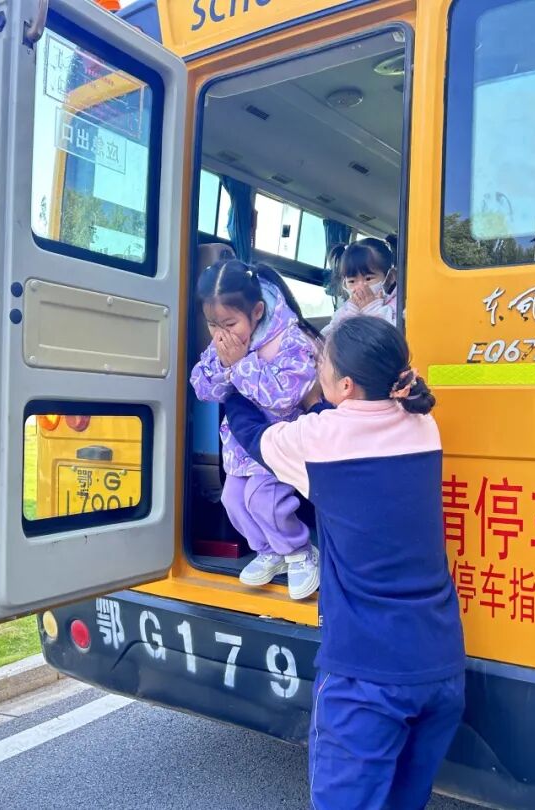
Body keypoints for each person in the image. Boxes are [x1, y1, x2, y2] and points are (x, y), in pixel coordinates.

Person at [223, 316, 465, 809]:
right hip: (440, 666)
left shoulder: (319, 440)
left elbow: (254, 437)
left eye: (321, 364)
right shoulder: (423, 423)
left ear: (347, 385)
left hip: (366, 675)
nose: (316, 370)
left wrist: (232, 377)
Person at [189, 259, 322, 600]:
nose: (222, 334)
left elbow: (283, 397)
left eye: (230, 323)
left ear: (258, 310)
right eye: (212, 324)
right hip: (241, 447)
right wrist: (223, 364)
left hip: (279, 443)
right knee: (233, 500)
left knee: (262, 499)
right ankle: (270, 551)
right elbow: (206, 389)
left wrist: (240, 365)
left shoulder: (292, 339)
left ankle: (300, 550)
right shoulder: (227, 342)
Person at [322, 240, 398, 336]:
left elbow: (394, 338)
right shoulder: (345, 309)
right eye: (352, 281)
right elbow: (327, 337)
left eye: (368, 278)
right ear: (344, 283)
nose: (360, 287)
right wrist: (351, 314)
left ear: (390, 277)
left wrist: (372, 309)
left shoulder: (398, 306)